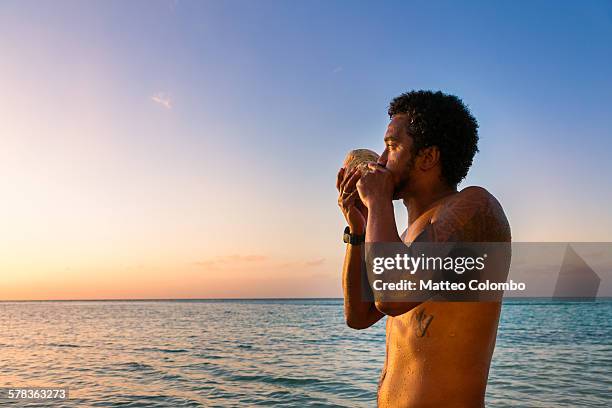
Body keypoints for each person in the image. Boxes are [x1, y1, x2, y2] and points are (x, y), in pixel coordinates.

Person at [336, 90, 511, 407]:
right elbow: (358, 316)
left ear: (428, 157)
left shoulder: (474, 207)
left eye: (392, 146)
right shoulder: (400, 239)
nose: (380, 161)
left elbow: (390, 294)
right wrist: (359, 230)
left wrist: (377, 201)